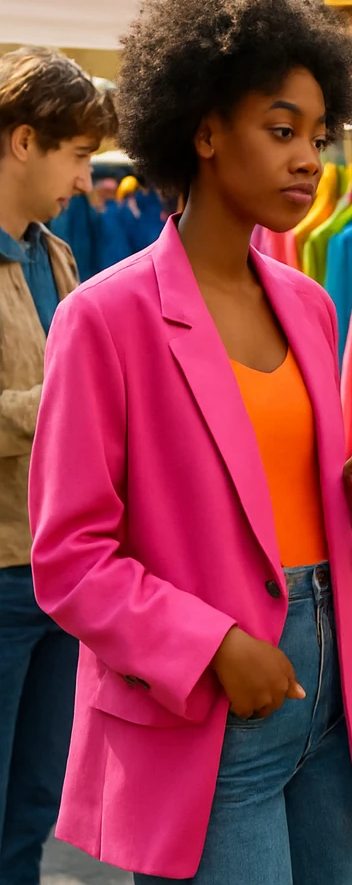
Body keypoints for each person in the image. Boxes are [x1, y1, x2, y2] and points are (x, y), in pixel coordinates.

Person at [27, 0, 352, 885]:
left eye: (320, 136)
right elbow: (71, 558)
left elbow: (281, 496)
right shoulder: (106, 317)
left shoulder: (309, 305)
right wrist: (209, 648)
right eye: (281, 130)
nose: (308, 160)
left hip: (330, 693)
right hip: (206, 710)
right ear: (203, 130)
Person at [0, 47, 113, 885]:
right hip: (1, 572)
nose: (85, 178)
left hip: (57, 569)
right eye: (77, 155)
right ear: (24, 141)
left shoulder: (57, 255)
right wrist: (68, 401)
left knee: (36, 800)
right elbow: (57, 401)